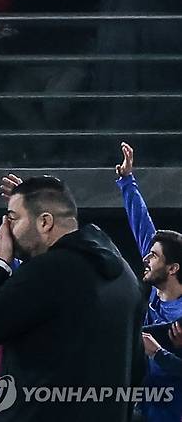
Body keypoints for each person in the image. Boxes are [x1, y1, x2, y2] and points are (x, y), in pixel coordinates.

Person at [0, 176, 145, 422]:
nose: (6, 229)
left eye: (13, 219)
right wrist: (28, 207)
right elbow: (137, 368)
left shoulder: (47, 272)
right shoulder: (126, 276)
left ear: (45, 222)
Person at [115, 141, 182, 422]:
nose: (145, 259)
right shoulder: (156, 293)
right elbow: (143, 226)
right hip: (145, 408)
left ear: (172, 268)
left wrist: (159, 354)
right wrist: (127, 181)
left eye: (153, 256)